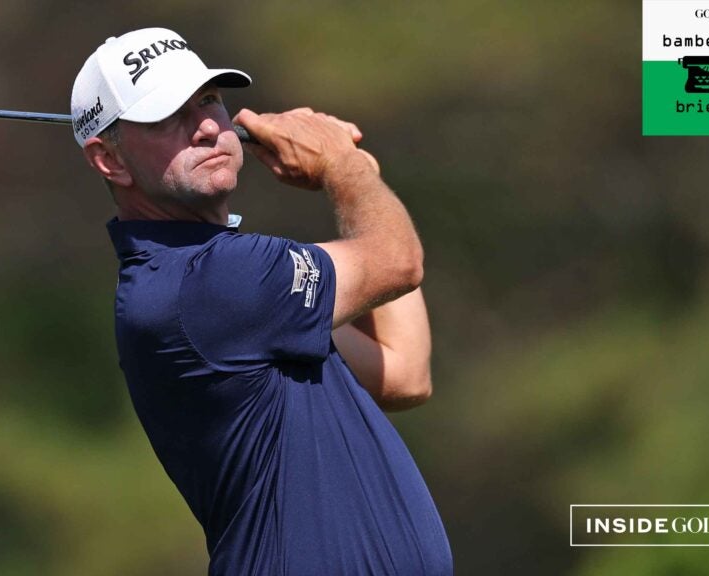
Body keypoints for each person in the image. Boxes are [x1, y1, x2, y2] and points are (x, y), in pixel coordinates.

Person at [71, 27, 452, 575]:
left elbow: (404, 370)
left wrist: (354, 172)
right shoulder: (209, 282)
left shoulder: (246, 293)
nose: (205, 127)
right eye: (165, 117)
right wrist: (342, 169)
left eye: (209, 100)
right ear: (110, 160)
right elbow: (397, 262)